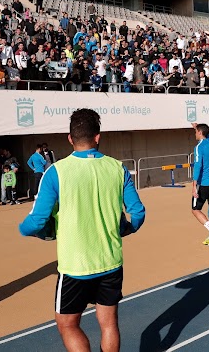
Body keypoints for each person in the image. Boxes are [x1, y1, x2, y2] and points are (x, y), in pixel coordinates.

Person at [19, 108, 145, 352]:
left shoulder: (55, 172)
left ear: (70, 138)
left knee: (67, 324)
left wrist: (23, 229)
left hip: (75, 265)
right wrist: (127, 229)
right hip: (110, 260)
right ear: (97, 137)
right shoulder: (117, 168)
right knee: (108, 323)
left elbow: (36, 221)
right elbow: (138, 212)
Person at [190, 123, 209, 246]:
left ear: (200, 133)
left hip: (203, 184)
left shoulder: (199, 147)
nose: (195, 133)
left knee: (195, 210)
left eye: (196, 131)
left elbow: (197, 166)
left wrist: (193, 187)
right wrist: (197, 127)